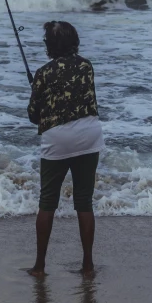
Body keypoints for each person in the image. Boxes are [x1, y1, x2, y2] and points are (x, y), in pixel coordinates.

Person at [27, 20, 104, 277]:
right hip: (89, 134)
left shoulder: (42, 73)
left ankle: (39, 266)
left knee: (47, 201)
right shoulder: (86, 66)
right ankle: (88, 265)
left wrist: (37, 90)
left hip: (58, 139)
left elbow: (33, 115)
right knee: (84, 201)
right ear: (74, 41)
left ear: (49, 46)